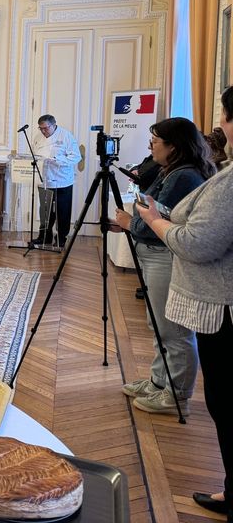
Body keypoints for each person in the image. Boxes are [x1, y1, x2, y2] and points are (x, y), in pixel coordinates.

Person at [136, 86, 233, 520]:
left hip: (220, 305)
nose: (221, 127)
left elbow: (197, 241)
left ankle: (171, 390)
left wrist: (153, 219)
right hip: (214, 298)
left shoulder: (206, 178)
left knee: (225, 398)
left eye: (225, 118)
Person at [113, 117, 215, 416]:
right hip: (156, 254)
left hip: (165, 256)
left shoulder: (183, 176)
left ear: (173, 146)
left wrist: (128, 222)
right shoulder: (171, 170)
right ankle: (160, 381)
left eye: (155, 141)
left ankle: (176, 393)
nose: (150, 146)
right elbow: (150, 207)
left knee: (172, 329)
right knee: (158, 325)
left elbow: (154, 219)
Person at [30, 114, 81, 247]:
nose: (43, 131)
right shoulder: (37, 138)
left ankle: (61, 238)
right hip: (44, 180)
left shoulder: (66, 136)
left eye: (45, 128)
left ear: (53, 125)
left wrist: (57, 160)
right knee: (45, 211)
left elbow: (76, 157)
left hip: (62, 180)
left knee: (62, 211)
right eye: (40, 128)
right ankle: (44, 236)